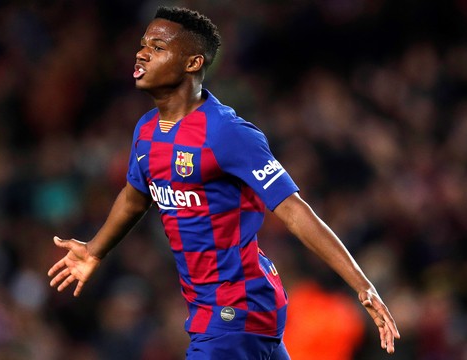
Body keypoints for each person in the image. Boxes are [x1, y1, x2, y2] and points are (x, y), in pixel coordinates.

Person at [47, 6, 400, 359]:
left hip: (234, 311)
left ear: (193, 63)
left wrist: (362, 286)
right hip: (222, 311)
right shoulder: (146, 131)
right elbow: (135, 198)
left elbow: (293, 211)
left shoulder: (227, 132)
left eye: (158, 47)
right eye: (143, 44)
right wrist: (95, 250)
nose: (142, 53)